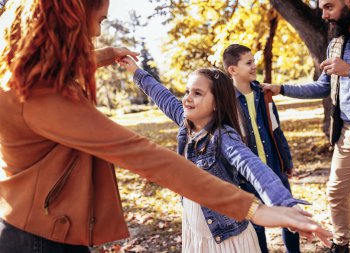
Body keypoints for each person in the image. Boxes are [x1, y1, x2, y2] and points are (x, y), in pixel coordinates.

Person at [0, 0, 332, 252]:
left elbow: (254, 166)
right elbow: (144, 150)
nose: (97, 32)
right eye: (99, 20)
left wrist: (111, 53)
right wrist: (252, 209)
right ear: (71, 15)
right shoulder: (40, 95)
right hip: (39, 236)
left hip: (40, 224)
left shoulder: (21, 78)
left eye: (198, 93)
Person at [120, 56, 321, 252]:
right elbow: (161, 94)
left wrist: (285, 204)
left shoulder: (223, 136)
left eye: (197, 93)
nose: (188, 98)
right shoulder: (186, 123)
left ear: (217, 103)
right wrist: (135, 71)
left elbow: (253, 166)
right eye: (187, 91)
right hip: (196, 231)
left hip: (226, 239)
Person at [263, 1, 350, 252]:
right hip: (346, 133)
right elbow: (322, 87)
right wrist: (282, 89)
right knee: (336, 193)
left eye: (329, 7)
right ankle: (341, 245)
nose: (324, 15)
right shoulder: (335, 43)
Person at [222, 44, 300, 253]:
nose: (254, 66)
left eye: (254, 61)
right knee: (256, 228)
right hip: (246, 176)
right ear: (233, 70)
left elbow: (276, 130)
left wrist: (287, 162)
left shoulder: (263, 94)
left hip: (274, 167)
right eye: (248, 63)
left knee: (290, 217)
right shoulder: (226, 101)